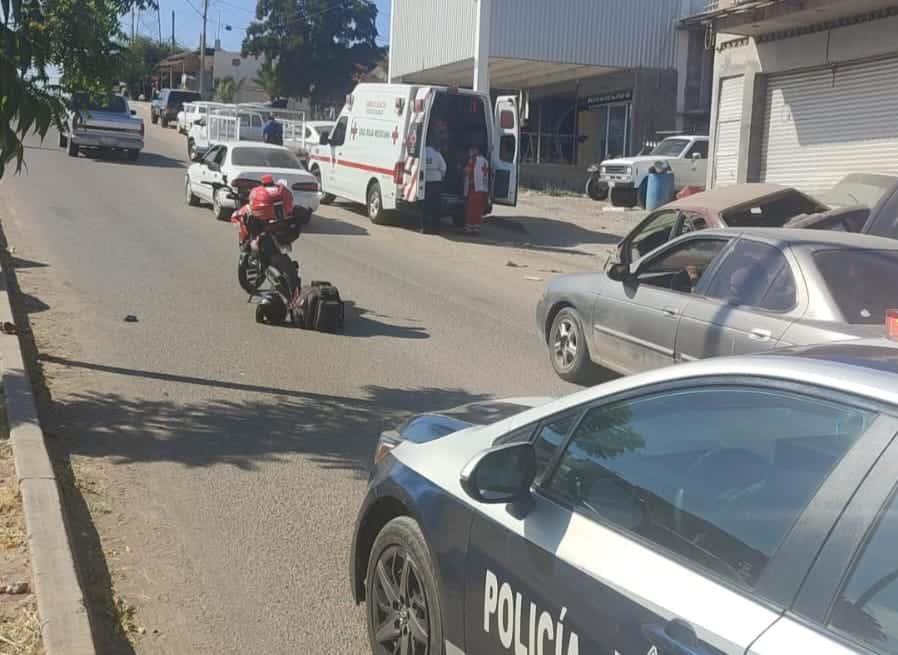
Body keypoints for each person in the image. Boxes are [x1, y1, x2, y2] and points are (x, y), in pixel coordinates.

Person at [422, 134, 447, 234]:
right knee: (436, 207)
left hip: (425, 182)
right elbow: (444, 167)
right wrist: (442, 176)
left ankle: (425, 228)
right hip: (436, 183)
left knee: (425, 206)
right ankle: (435, 229)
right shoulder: (437, 154)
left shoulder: (423, 152)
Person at [463, 145, 489, 235]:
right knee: (478, 210)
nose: (470, 152)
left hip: (474, 188)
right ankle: (476, 229)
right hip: (482, 189)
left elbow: (468, 171)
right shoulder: (485, 161)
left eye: (471, 150)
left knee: (471, 210)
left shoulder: (473, 160)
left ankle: (469, 229)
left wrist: (463, 169)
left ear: (475, 151)